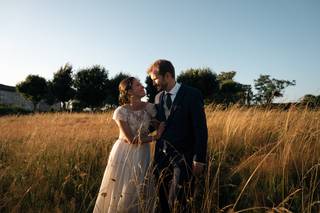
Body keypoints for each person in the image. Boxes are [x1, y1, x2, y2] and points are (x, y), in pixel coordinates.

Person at [93, 77, 165, 213]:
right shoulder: (120, 111)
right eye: (138, 85)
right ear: (129, 91)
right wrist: (156, 136)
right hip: (123, 152)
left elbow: (157, 123)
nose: (143, 86)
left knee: (140, 187)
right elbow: (131, 139)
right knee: (123, 187)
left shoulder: (149, 107)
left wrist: (159, 125)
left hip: (143, 151)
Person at [148, 59, 208, 212]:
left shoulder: (192, 94)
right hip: (161, 158)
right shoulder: (158, 98)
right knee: (161, 200)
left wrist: (199, 159)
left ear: (167, 76)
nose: (154, 83)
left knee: (178, 200)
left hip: (184, 158)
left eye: (155, 79)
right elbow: (158, 123)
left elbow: (200, 129)